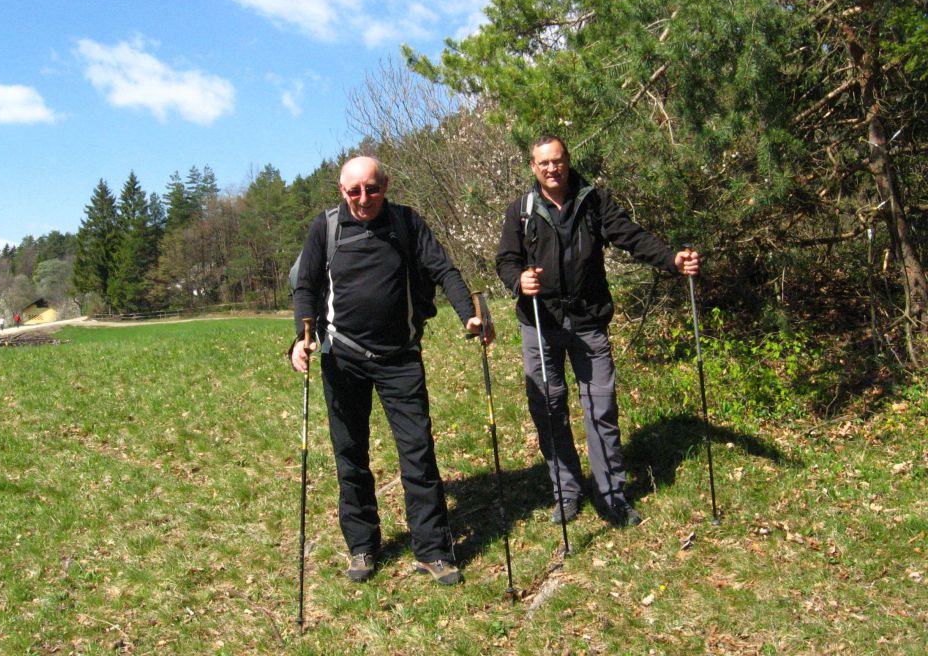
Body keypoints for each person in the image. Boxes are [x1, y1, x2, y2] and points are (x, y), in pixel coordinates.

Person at [291, 155, 490, 586]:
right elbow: (305, 286)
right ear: (341, 191)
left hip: (400, 358)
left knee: (418, 453)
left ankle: (433, 549)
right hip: (342, 358)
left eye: (373, 188)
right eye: (355, 190)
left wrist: (468, 315)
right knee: (350, 456)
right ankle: (362, 547)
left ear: (386, 185)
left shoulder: (406, 223)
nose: (365, 198)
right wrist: (300, 338)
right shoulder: (325, 228)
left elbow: (443, 269)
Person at [496, 135, 700, 527]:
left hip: (588, 322)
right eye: (544, 164)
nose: (551, 169)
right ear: (533, 167)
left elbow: (631, 237)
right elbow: (505, 260)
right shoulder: (520, 211)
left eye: (557, 161)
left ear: (567, 161)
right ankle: (567, 491)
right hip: (540, 324)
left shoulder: (594, 201)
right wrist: (519, 280)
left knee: (601, 409)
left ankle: (611, 494)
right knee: (549, 408)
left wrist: (671, 260)